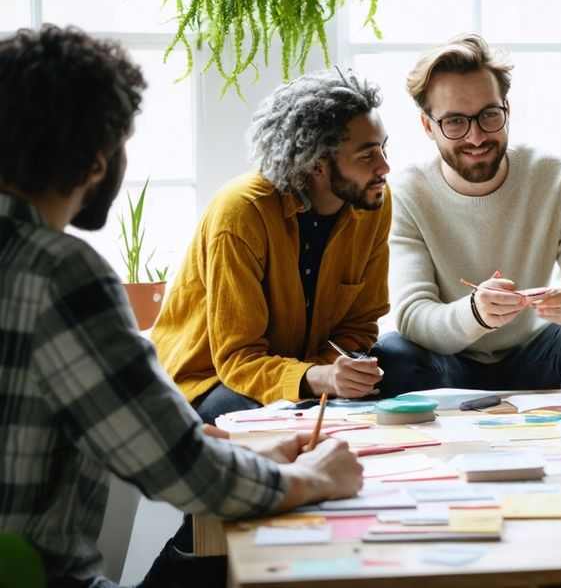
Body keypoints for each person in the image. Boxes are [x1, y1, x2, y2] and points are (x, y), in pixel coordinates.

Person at [0, 25, 363, 587]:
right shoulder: (59, 273)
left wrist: (252, 450)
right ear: (97, 159)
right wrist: (313, 478)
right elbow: (182, 472)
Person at [373, 34, 561, 390]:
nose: (476, 137)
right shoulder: (409, 192)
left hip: (540, 358)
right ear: (428, 126)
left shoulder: (559, 180)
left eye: (489, 115)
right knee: (392, 355)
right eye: (455, 122)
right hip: (450, 365)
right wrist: (475, 314)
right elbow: (413, 316)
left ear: (506, 109)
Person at [153, 68, 395, 424]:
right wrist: (315, 379)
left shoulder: (372, 202)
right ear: (316, 164)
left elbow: (359, 326)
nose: (385, 167)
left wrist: (335, 372)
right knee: (279, 420)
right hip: (212, 382)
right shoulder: (241, 213)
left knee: (402, 366)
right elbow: (238, 359)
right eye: (367, 155)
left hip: (306, 374)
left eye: (384, 149)